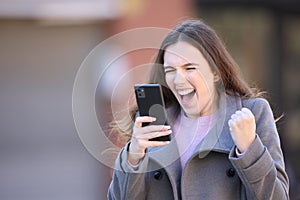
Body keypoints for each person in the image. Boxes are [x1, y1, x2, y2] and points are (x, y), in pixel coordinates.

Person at [107, 19, 289, 199]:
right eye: (170, 70)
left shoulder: (252, 114)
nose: (178, 80)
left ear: (216, 71)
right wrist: (133, 157)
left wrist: (250, 149)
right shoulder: (152, 123)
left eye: (189, 68)